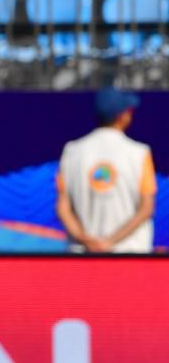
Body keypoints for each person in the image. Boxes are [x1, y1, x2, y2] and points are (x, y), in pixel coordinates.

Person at [56, 87, 157, 253]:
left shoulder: (72, 151)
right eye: (129, 110)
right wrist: (109, 242)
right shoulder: (139, 153)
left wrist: (85, 239)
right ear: (121, 116)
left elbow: (62, 207)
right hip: (129, 254)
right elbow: (146, 208)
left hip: (83, 253)